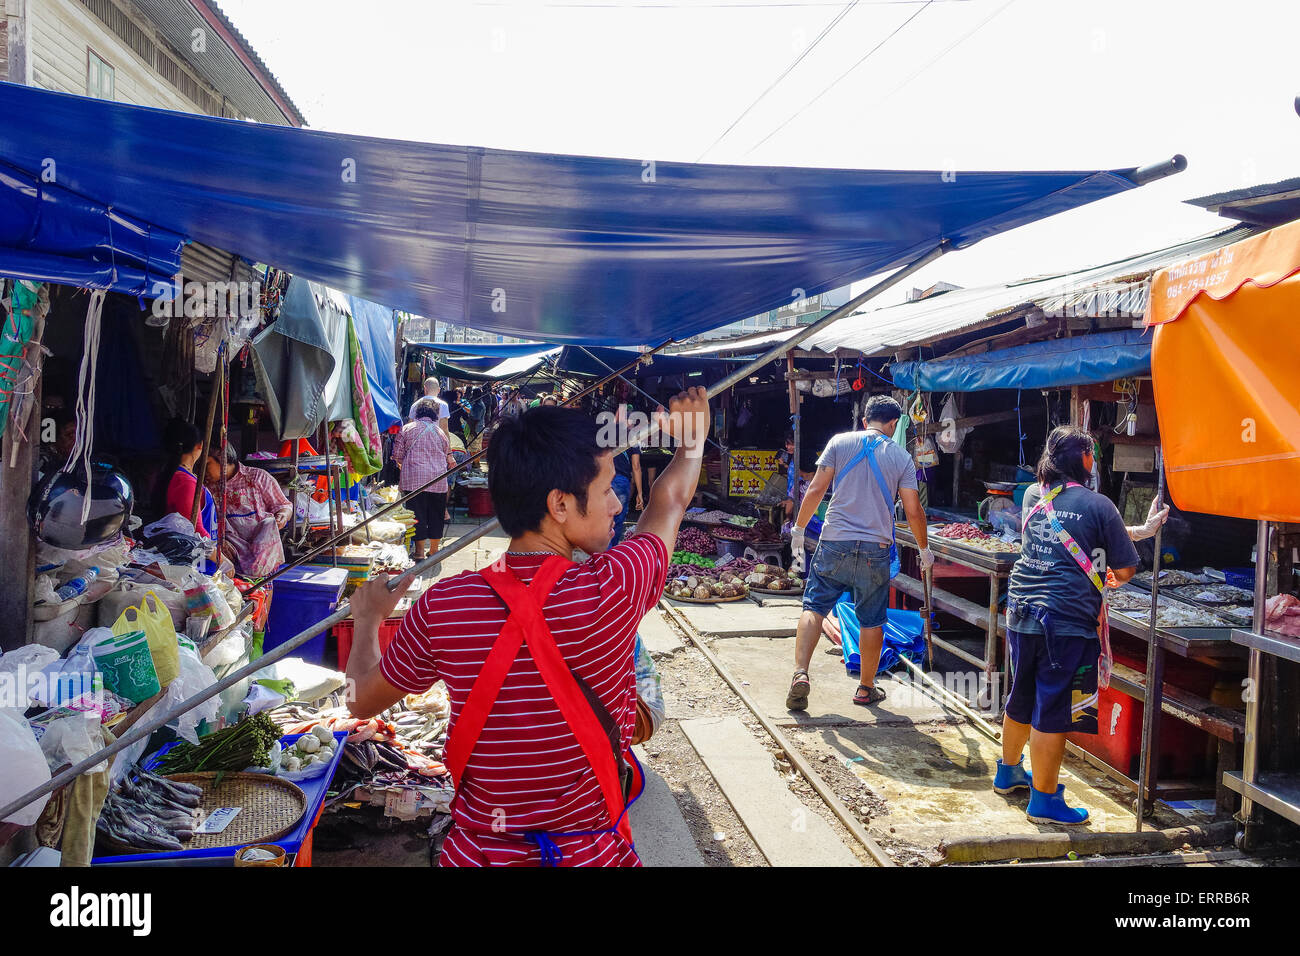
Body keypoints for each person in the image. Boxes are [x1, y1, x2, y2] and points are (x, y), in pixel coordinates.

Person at [345, 389, 709, 866]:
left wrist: (368, 619)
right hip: (589, 855)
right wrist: (692, 442)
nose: (617, 506)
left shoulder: (444, 605)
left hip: (477, 855)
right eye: (606, 492)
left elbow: (357, 699)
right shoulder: (616, 586)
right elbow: (670, 500)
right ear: (559, 504)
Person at [996, 426, 1140, 826]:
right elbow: (1125, 567)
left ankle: (1008, 773)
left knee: (1021, 693)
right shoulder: (1100, 505)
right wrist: (1109, 575)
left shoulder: (1032, 496)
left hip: (1021, 611)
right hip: (1066, 620)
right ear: (1084, 460)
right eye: (1091, 453)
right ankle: (1044, 800)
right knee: (1053, 708)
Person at [786, 395, 933, 710]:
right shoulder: (901, 457)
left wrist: (798, 529)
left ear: (866, 421)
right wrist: (924, 549)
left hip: (834, 541)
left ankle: (800, 673)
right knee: (871, 620)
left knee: (814, 607)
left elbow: (815, 489)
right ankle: (866, 688)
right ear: (893, 425)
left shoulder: (839, 442)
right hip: (875, 549)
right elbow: (914, 510)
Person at [204, 442, 293, 577]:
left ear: (222, 458)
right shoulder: (206, 487)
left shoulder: (257, 477)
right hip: (228, 557)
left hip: (261, 554)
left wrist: (283, 515)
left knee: (260, 593)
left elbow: (284, 505)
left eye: (207, 465)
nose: (203, 471)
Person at [391, 399, 456, 563]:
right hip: (438, 479)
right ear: (435, 415)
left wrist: (404, 464)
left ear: (417, 413)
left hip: (414, 480)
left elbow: (397, 455)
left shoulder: (406, 429)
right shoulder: (441, 433)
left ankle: (419, 552)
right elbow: (447, 454)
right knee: (436, 514)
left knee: (417, 515)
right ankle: (434, 550)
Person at [155, 418, 216, 538]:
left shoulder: (173, 474)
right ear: (200, 445)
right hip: (200, 554)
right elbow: (195, 531)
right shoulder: (186, 482)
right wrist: (221, 557)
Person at [609, 405, 644, 547]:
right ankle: (608, 554)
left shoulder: (607, 434)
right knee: (617, 521)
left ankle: (601, 554)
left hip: (602, 480)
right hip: (620, 482)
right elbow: (636, 467)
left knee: (603, 519)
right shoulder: (631, 437)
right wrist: (640, 493)